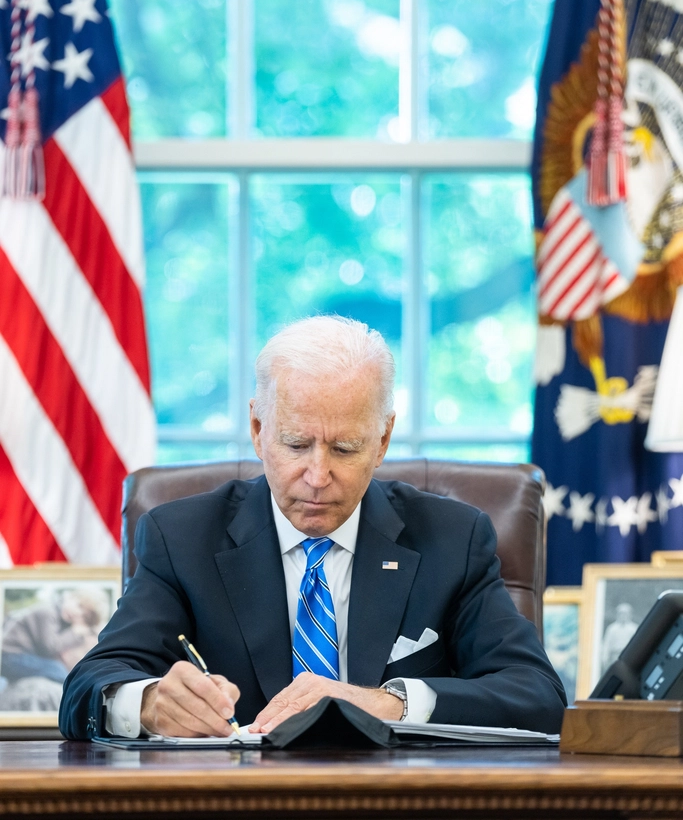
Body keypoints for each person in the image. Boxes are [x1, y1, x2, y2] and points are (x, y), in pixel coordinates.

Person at [59, 316, 566, 740]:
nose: (318, 477)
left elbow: (536, 694)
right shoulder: (182, 538)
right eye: (297, 444)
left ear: (383, 438)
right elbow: (89, 685)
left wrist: (388, 703)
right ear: (258, 430)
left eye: (345, 448)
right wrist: (147, 703)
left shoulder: (451, 540)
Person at [601, 603, 638, 672]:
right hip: (615, 657)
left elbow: (637, 644)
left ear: (630, 615)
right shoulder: (612, 628)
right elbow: (607, 644)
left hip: (628, 656)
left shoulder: (633, 628)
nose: (623, 616)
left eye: (625, 614)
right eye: (621, 614)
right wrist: (605, 658)